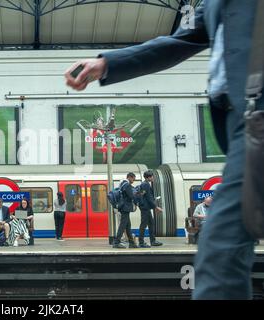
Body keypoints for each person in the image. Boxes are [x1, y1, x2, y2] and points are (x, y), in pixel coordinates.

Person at [64, 1, 261, 299]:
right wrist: (107, 64)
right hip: (241, 125)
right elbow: (178, 42)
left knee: (222, 247)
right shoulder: (212, 4)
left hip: (256, 120)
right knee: (223, 247)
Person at [137, 170, 163, 248]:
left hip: (146, 208)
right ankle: (141, 242)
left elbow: (146, 197)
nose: (153, 178)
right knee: (143, 225)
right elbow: (148, 197)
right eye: (152, 176)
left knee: (151, 224)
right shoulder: (146, 185)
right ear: (148, 177)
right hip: (145, 208)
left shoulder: (145, 184)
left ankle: (153, 241)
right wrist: (156, 207)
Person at [113, 173, 138, 249]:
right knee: (122, 225)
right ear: (129, 177)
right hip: (125, 208)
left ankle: (131, 243)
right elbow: (131, 196)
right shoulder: (127, 185)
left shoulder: (122, 183)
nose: (133, 180)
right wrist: (137, 195)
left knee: (128, 225)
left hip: (124, 207)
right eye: (133, 179)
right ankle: (116, 242)